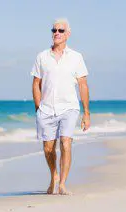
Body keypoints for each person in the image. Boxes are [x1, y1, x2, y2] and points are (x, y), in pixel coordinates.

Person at [31, 18, 90, 195]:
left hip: (69, 107)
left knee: (66, 142)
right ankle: (54, 176)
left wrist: (86, 113)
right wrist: (38, 108)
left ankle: (63, 183)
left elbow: (83, 85)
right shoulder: (42, 56)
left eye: (61, 30)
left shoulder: (76, 57)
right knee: (48, 148)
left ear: (68, 34)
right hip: (47, 108)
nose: (57, 33)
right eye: (54, 30)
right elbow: (36, 83)